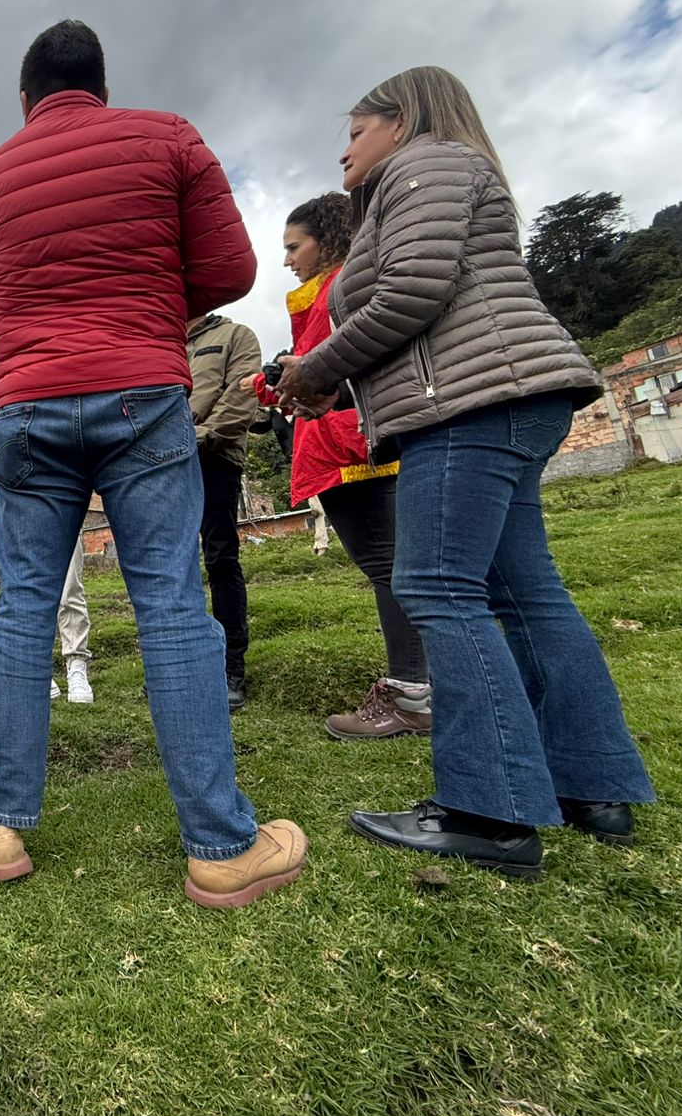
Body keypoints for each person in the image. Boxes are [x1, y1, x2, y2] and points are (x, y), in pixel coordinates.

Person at [0, 19, 306, 907]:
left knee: (25, 606)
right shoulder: (167, 136)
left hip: (29, 407)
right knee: (171, 604)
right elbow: (229, 266)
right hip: (144, 394)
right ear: (101, 87)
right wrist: (142, 294)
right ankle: (222, 843)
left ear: (26, 98)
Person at [275, 66, 655, 876]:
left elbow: (414, 290)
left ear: (399, 118)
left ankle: (489, 808)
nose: (344, 152)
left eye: (353, 132)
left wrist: (316, 369)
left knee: (439, 586)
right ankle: (589, 783)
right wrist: (327, 376)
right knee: (523, 592)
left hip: (472, 401)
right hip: (507, 394)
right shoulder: (441, 171)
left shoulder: (427, 164)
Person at [247, 193, 432, 738]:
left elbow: (332, 367)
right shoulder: (324, 295)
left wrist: (286, 377)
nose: (286, 260)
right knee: (394, 565)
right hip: (342, 441)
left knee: (388, 566)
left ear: (326, 239)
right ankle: (424, 684)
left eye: (293, 246)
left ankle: (411, 692)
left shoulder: (340, 291)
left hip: (348, 445)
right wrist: (270, 380)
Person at [0, 404, 93, 704]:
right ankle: (40, 671)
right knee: (25, 594)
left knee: (70, 589)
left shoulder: (54, 402)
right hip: (18, 512)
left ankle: (76, 664)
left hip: (64, 504)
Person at [186, 313, 262, 710]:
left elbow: (243, 394)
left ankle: (232, 667)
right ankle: (183, 666)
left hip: (215, 459)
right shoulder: (159, 340)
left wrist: (194, 435)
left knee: (220, 558)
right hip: (165, 465)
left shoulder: (236, 335)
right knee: (172, 567)